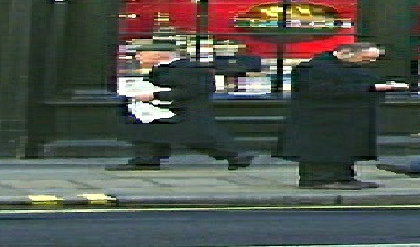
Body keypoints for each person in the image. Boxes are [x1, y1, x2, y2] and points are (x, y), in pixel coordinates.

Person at [276, 42, 408, 189]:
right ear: (347, 53)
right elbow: (323, 91)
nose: (369, 62)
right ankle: (319, 179)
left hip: (345, 119)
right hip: (320, 121)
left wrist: (382, 86)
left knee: (344, 149)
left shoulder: (349, 67)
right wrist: (371, 88)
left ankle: (343, 177)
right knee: (324, 150)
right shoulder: (314, 67)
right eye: (366, 58)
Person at [107, 42, 255, 171]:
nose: (137, 57)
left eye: (141, 54)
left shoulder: (185, 68)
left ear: (158, 54)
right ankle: (147, 159)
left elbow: (192, 90)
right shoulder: (164, 67)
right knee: (148, 130)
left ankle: (237, 156)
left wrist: (155, 96)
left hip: (186, 112)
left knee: (201, 138)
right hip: (168, 111)